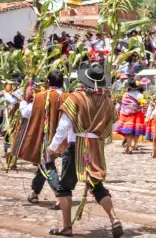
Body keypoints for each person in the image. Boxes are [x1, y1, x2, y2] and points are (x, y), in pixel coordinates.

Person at [46, 63, 122, 237]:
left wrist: (52, 147)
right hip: (95, 147)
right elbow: (114, 125)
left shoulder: (75, 98)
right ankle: (114, 218)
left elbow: (64, 126)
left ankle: (66, 227)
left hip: (76, 145)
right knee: (96, 185)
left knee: (64, 187)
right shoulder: (107, 101)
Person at [14, 70, 67, 206]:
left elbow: (26, 113)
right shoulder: (69, 96)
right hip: (65, 137)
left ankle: (60, 195)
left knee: (47, 164)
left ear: (48, 82)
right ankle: (34, 193)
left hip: (46, 137)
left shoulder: (41, 97)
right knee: (42, 163)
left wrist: (21, 102)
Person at [114, 79, 146, 154]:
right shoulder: (140, 95)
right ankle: (134, 144)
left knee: (128, 133)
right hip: (137, 115)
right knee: (135, 132)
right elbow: (143, 105)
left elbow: (124, 105)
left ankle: (129, 147)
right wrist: (137, 107)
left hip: (126, 115)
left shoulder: (125, 95)